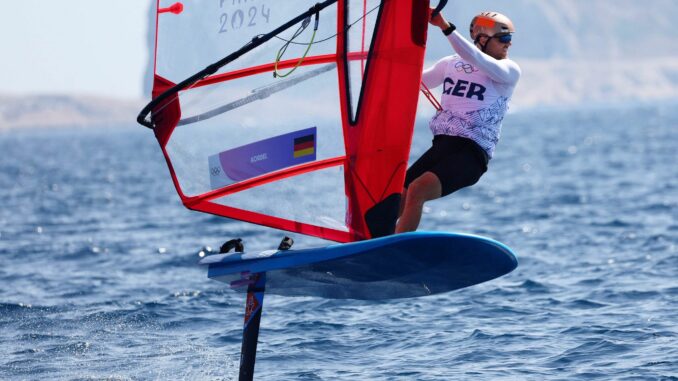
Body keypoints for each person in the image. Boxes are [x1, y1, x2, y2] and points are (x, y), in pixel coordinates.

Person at [396, 10, 521, 233]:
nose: (508, 44)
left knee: (417, 190)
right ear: (482, 39)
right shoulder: (449, 64)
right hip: (442, 146)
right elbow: (410, 82)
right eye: (503, 38)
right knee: (396, 199)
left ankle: (392, 253)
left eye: (509, 38)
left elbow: (476, 58)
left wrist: (445, 26)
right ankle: (368, 243)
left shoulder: (508, 70)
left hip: (471, 155)